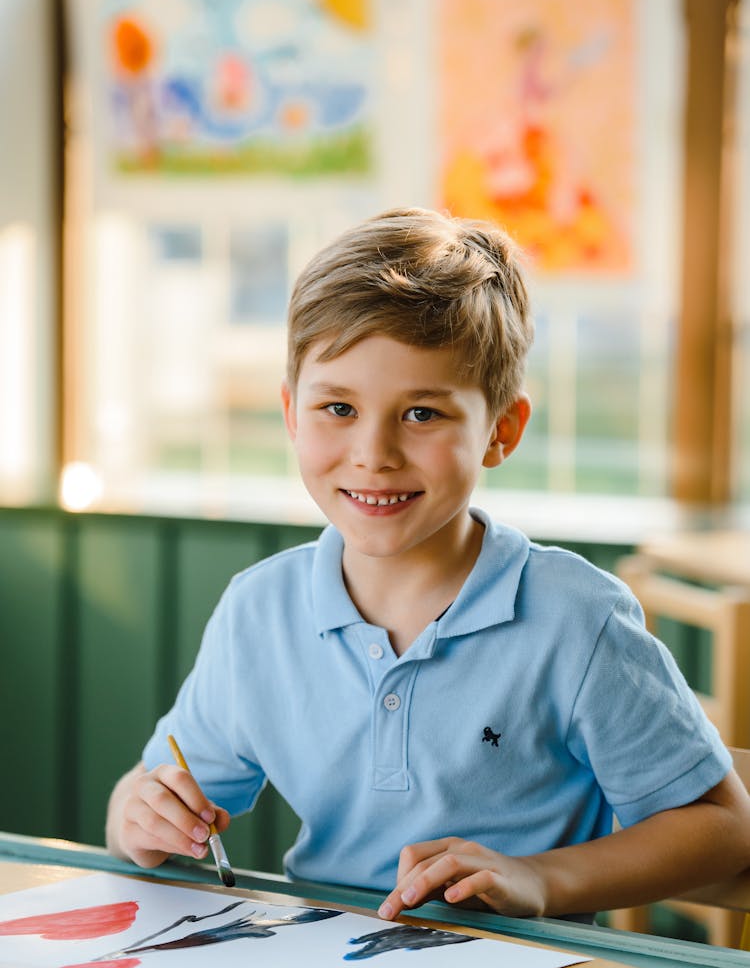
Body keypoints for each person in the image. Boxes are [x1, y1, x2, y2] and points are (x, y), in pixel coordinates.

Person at [106, 207, 750, 922]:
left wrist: (537, 879)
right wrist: (138, 817)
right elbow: (151, 792)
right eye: (338, 408)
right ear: (292, 414)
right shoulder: (258, 611)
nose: (373, 454)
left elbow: (725, 827)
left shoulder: (578, 617)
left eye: (422, 414)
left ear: (500, 431)